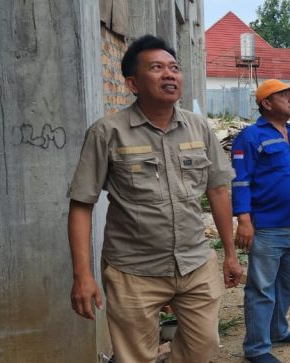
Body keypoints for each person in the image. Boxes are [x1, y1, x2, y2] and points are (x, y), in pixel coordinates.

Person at [67, 34, 243, 363]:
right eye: (157, 68)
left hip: (194, 263)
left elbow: (218, 189)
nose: (169, 74)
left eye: (174, 68)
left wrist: (229, 253)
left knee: (202, 347)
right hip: (134, 270)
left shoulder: (199, 128)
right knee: (135, 356)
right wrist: (82, 275)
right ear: (133, 83)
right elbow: (81, 204)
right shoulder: (107, 133)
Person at [231, 79, 290, 363]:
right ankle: (256, 349)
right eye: (283, 95)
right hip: (267, 228)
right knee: (261, 289)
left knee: (287, 284)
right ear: (266, 103)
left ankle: (278, 331)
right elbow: (240, 181)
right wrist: (243, 219)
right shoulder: (250, 137)